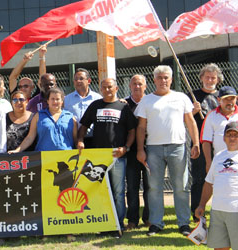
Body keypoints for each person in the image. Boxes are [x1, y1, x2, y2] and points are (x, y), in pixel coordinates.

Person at [135, 65, 200, 237]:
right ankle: (156, 224)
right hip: (153, 149)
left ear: (171, 79)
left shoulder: (181, 97)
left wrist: (196, 143)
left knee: (181, 186)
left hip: (178, 146)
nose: (163, 80)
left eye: (166, 77)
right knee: (154, 187)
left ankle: (183, 223)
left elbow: (191, 122)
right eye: (160, 77)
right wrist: (140, 149)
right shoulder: (146, 100)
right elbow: (141, 127)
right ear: (154, 80)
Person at [78, 78, 136, 235]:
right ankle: (105, 224)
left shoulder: (124, 107)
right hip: (98, 157)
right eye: (103, 87)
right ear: (100, 88)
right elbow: (83, 126)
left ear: (116, 88)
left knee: (118, 192)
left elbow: (132, 131)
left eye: (110, 87)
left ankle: (118, 224)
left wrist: (126, 148)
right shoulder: (95, 105)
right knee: (101, 191)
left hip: (117, 156)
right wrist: (81, 140)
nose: (107, 90)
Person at [195, 121, 238, 250]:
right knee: (219, 247)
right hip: (217, 211)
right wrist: (202, 204)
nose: (232, 138)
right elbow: (209, 183)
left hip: (235, 210)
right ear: (224, 138)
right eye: (229, 134)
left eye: (235, 135)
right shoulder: (219, 156)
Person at [188, 63, 222, 221]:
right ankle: (197, 212)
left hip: (221, 145)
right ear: (201, 78)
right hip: (200, 143)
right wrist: (192, 112)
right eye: (207, 77)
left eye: (213, 77)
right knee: (200, 178)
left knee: (223, 177)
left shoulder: (223, 96)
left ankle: (222, 211)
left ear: (218, 79)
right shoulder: (192, 96)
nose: (210, 80)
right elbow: (182, 119)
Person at [10, 87, 76, 152]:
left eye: (57, 99)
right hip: (44, 158)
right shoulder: (38, 116)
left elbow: (75, 139)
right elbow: (30, 137)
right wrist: (18, 150)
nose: (55, 101)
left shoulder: (70, 117)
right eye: (52, 99)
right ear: (48, 101)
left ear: (62, 101)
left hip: (66, 157)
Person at [125, 74, 150, 230]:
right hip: (131, 151)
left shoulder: (151, 102)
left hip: (151, 150)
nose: (137, 86)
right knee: (132, 187)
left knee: (150, 187)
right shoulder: (123, 104)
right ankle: (132, 220)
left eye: (140, 83)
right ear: (130, 86)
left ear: (145, 86)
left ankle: (149, 218)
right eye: (134, 83)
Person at [201, 86, 238, 172]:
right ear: (219, 100)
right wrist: (209, 163)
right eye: (226, 99)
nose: (229, 102)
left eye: (232, 99)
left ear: (236, 98)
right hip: (219, 161)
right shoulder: (211, 116)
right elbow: (206, 141)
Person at [64, 68, 102, 148]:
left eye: (81, 78)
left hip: (93, 139)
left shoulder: (98, 98)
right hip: (73, 140)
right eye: (75, 79)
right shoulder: (66, 99)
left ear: (88, 81)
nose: (78, 81)